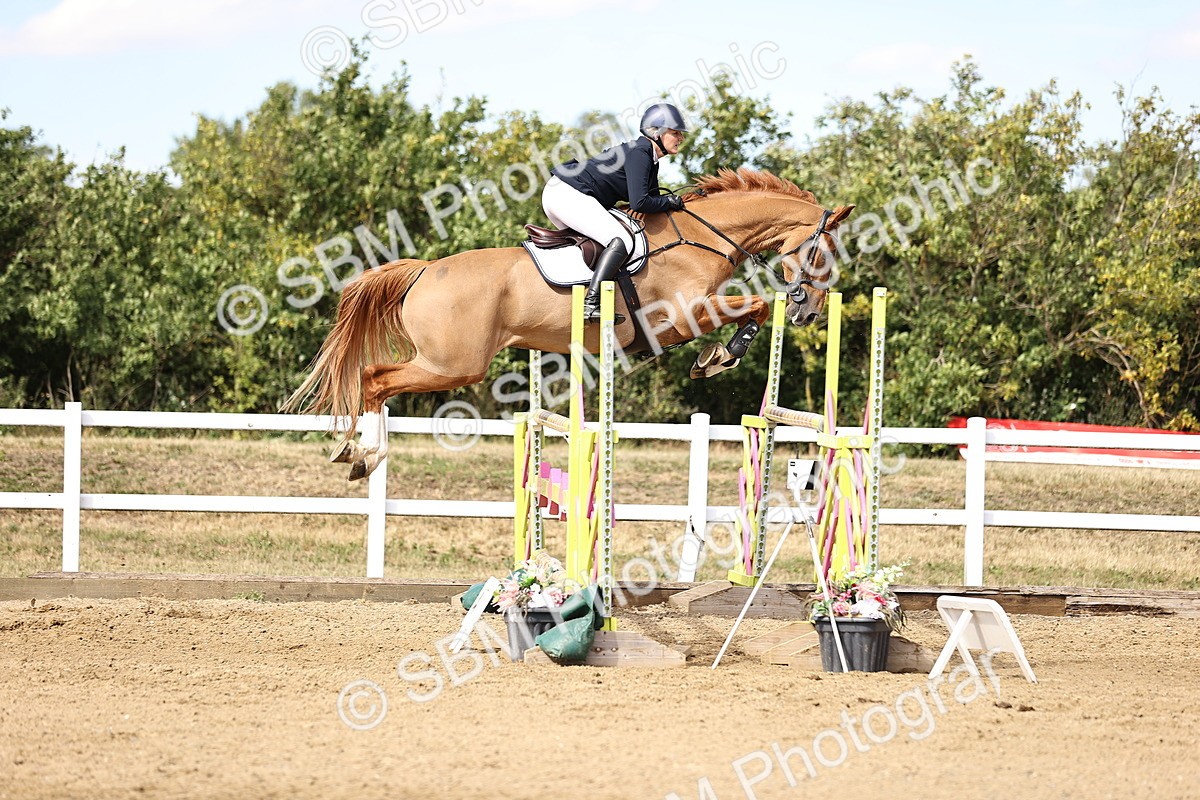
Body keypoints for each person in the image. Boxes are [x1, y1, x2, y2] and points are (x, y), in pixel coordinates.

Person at [541, 102, 689, 322]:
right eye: (675, 132)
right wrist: (669, 201)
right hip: (567, 193)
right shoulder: (640, 152)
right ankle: (590, 304)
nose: (681, 138)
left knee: (605, 244)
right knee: (621, 240)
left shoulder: (649, 158)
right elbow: (640, 203)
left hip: (565, 193)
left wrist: (671, 204)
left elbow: (653, 204)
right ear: (656, 132)